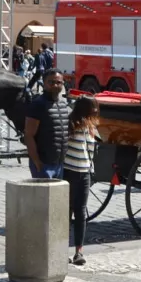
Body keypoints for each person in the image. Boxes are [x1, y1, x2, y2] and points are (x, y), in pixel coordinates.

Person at [62, 95, 98, 266]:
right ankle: (62, 250)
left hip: (84, 172)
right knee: (67, 211)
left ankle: (79, 251)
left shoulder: (90, 126)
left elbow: (91, 151)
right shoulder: (71, 124)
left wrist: (91, 171)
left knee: (81, 212)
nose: (96, 110)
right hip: (69, 171)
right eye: (93, 107)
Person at [24, 69, 70, 178]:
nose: (55, 85)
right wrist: (36, 162)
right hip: (43, 165)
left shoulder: (63, 104)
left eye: (59, 82)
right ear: (44, 83)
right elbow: (28, 135)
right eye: (51, 82)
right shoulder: (38, 105)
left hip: (59, 164)